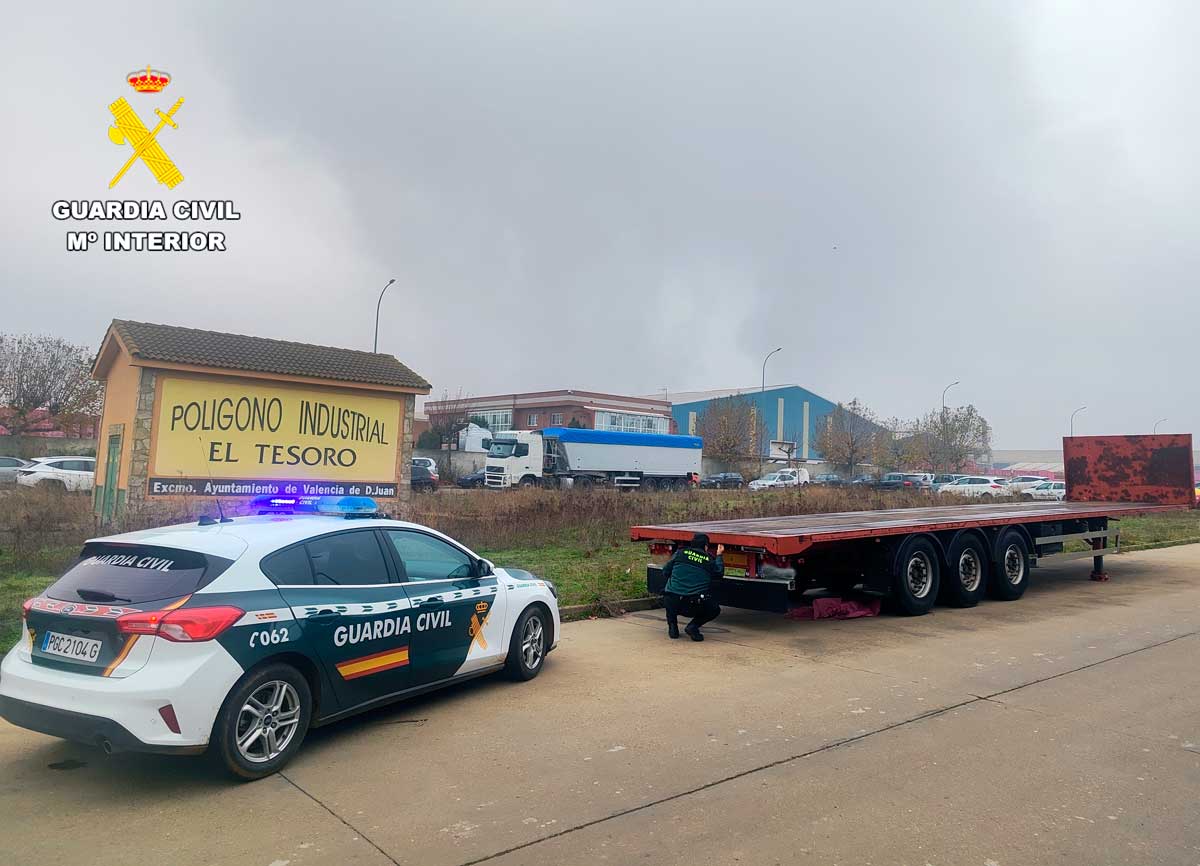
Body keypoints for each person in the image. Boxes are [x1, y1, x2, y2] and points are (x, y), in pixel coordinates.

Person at [661, 533, 723, 641]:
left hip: (672, 602)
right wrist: (719, 555)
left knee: (669, 592)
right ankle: (693, 626)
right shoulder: (708, 560)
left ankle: (673, 628)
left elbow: (665, 571)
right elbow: (719, 573)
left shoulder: (680, 553)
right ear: (705, 546)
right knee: (715, 609)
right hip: (694, 605)